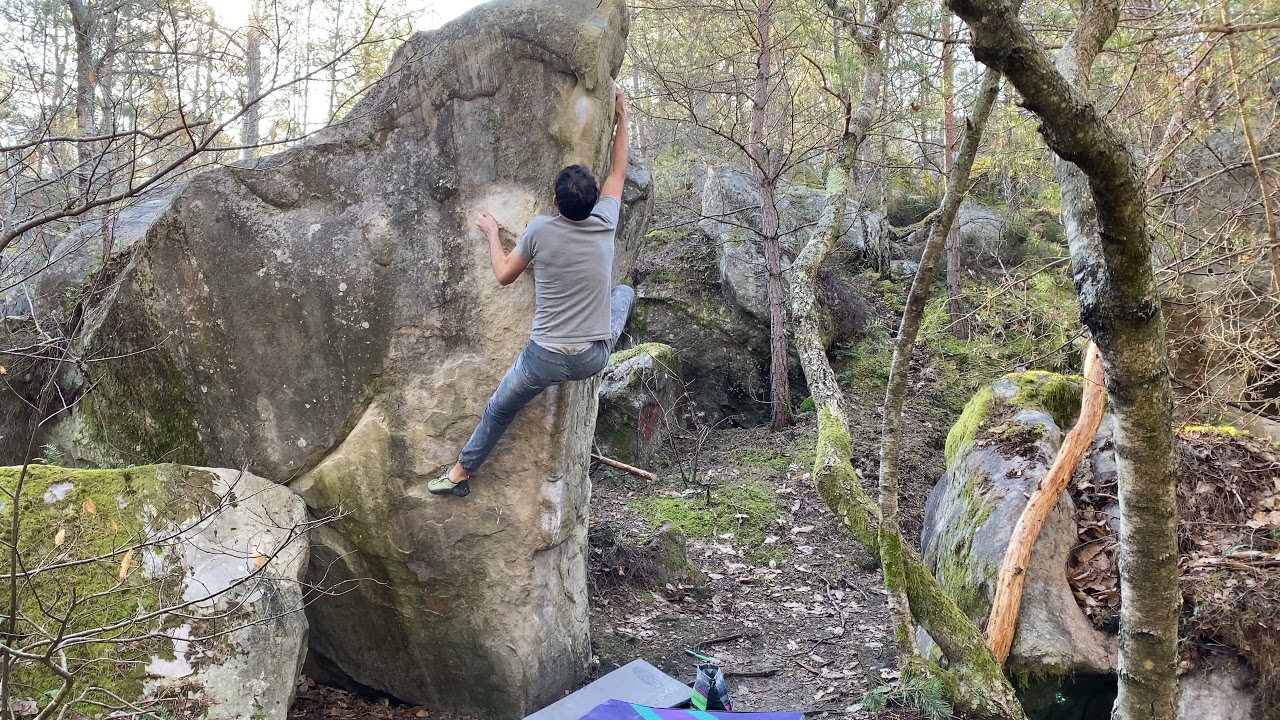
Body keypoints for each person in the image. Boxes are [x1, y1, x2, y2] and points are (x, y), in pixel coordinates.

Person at [428, 90, 634, 498]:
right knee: (624, 293)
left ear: (555, 201)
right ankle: (613, 327)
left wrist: (492, 235)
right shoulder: (607, 220)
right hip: (591, 358)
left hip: (542, 360)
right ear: (595, 203)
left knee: (499, 409)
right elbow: (618, 173)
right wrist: (622, 118)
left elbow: (505, 275)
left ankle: (459, 475)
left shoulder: (540, 229)